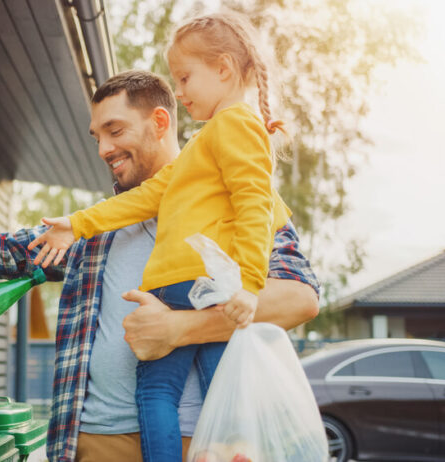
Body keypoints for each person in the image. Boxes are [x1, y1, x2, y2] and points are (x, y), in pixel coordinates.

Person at [0, 70, 319, 462]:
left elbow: (298, 299)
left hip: (198, 444)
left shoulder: (239, 199)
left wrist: (179, 328)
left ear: (160, 122)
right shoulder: (90, 231)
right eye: (97, 136)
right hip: (92, 443)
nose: (103, 150)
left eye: (115, 131)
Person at [28, 12, 291, 461]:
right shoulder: (203, 146)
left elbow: (256, 206)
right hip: (189, 287)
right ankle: (232, 448)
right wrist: (78, 224)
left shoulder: (234, 125)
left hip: (194, 286)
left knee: (158, 392)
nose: (181, 91)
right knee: (217, 387)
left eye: (186, 78)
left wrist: (248, 283)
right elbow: (146, 197)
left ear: (224, 69)